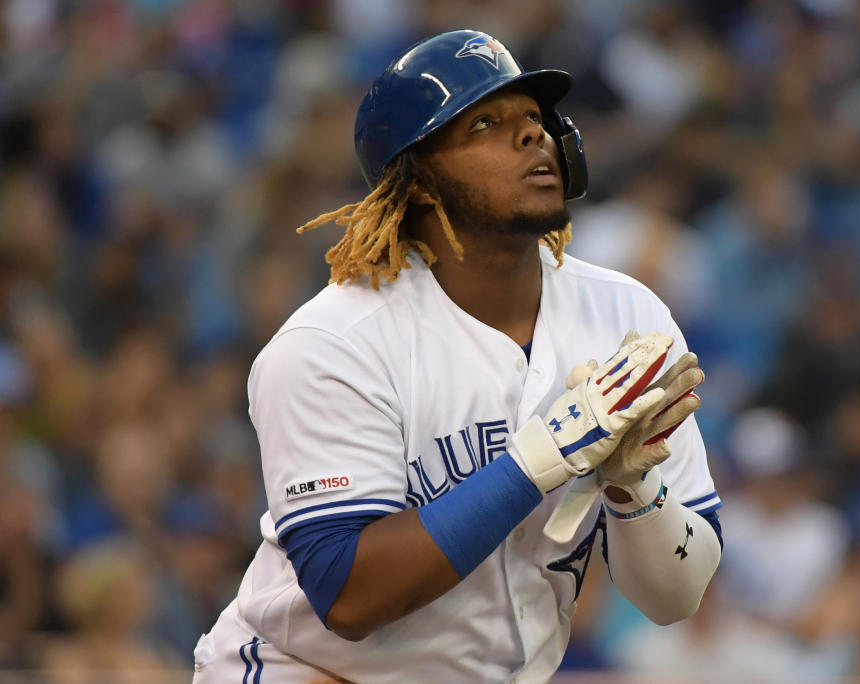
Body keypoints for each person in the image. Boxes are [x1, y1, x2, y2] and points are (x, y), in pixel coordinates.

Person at [193, 30, 723, 684]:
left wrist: (631, 484)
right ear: (415, 185)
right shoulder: (332, 344)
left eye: (535, 119)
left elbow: (677, 598)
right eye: (485, 124)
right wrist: (541, 457)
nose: (531, 135)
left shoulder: (627, 315)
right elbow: (349, 597)